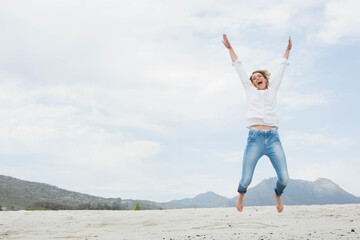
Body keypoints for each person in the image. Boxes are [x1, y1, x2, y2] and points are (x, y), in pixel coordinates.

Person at [222, 34, 292, 213]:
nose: (256, 78)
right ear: (251, 83)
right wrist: (230, 48)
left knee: (284, 179)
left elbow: (281, 67)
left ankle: (277, 195)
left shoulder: (272, 89)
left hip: (273, 139)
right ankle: (241, 195)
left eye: (259, 76)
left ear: (266, 80)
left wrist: (287, 50)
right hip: (254, 138)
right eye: (253, 78)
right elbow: (239, 67)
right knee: (246, 179)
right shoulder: (249, 90)